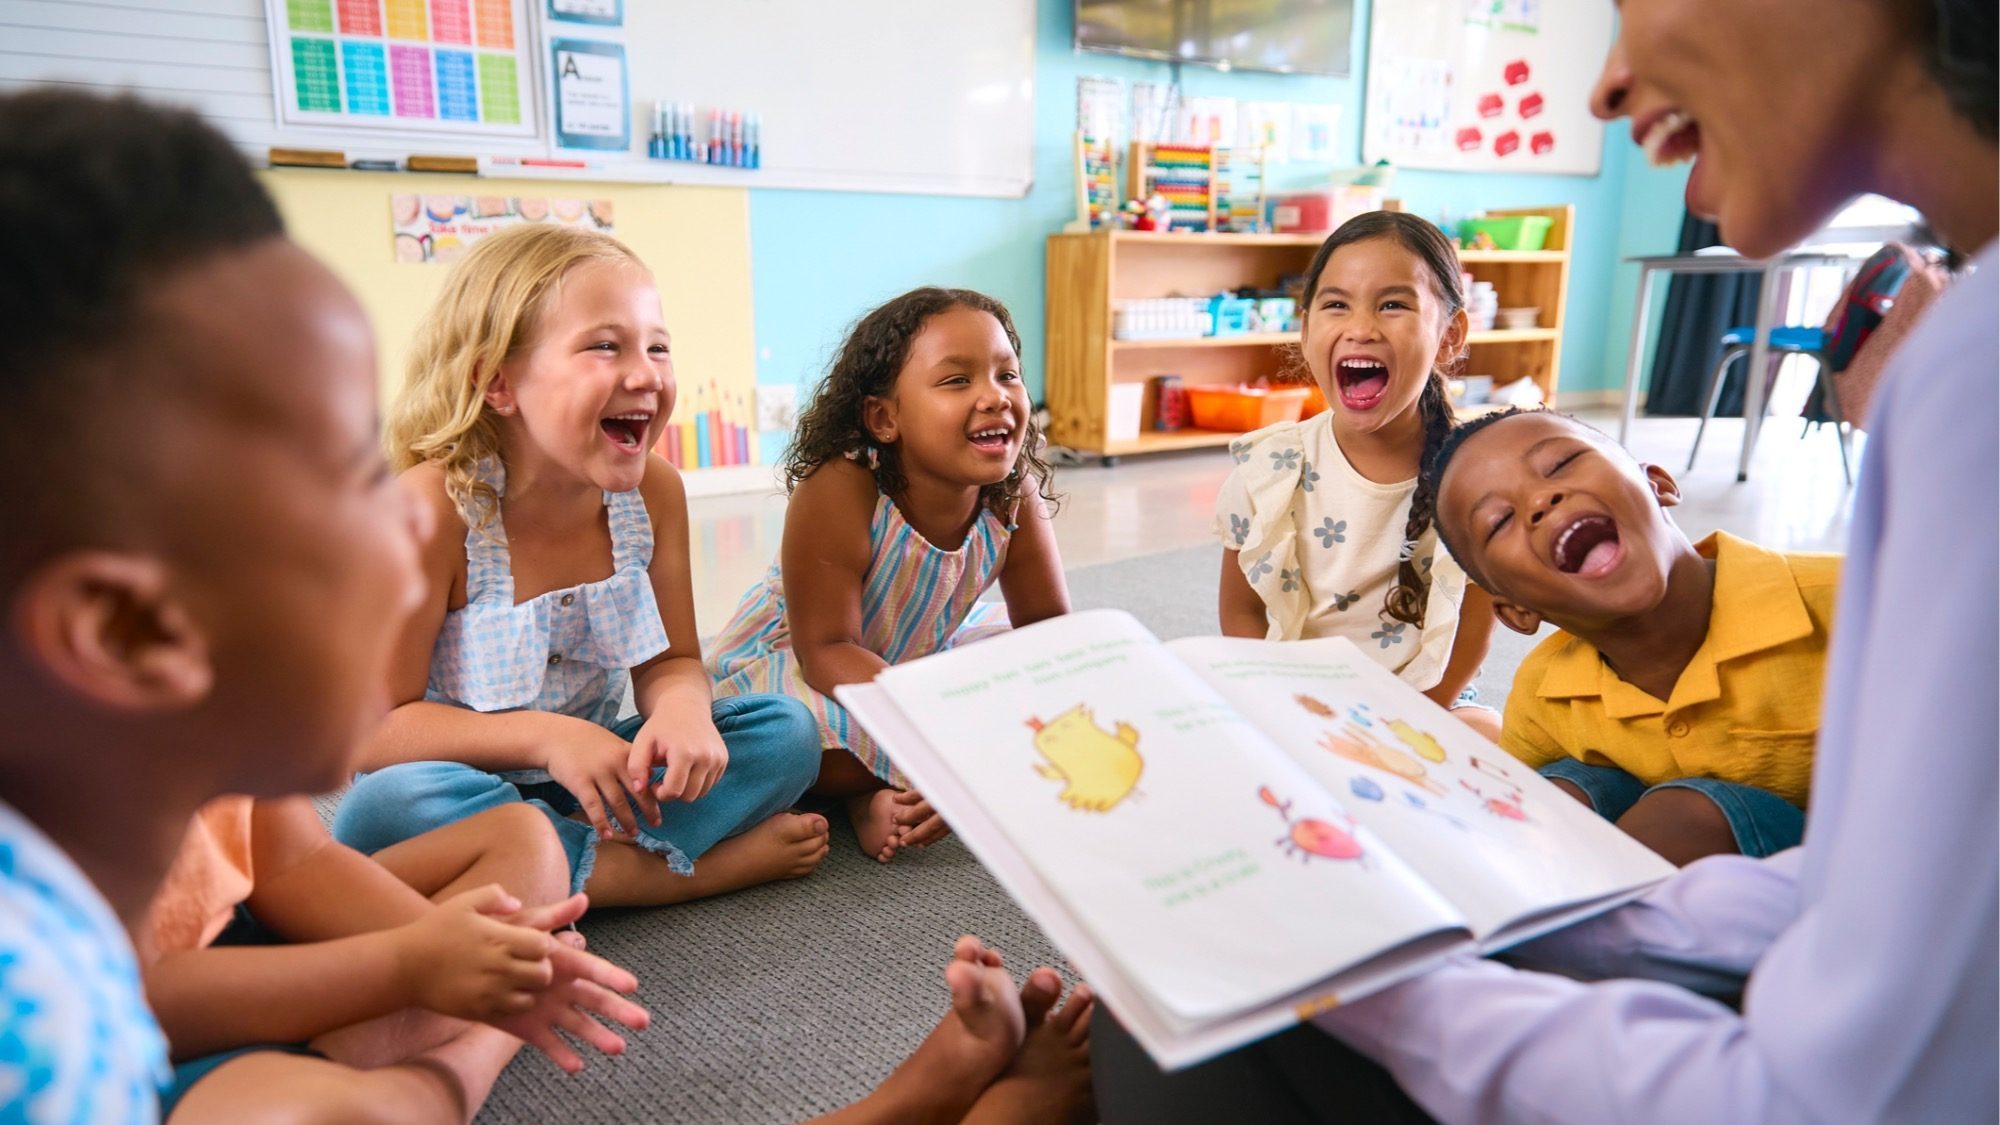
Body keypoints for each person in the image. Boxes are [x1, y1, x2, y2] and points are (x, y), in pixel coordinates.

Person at [1096, 0, 1997, 1118]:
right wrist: (1558, 917)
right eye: (1329, 303)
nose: (1603, 87)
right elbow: (1866, 895)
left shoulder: (1960, 395)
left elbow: (1841, 1083)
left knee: (1176, 1033)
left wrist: (1364, 980)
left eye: (1629, 7)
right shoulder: (1960, 363)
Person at [0, 89, 629, 1117]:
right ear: (129, 631)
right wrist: (412, 974)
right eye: (354, 478)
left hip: (245, 955)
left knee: (523, 855)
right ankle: (444, 1073)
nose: (416, 525)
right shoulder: (46, 1037)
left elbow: (292, 861)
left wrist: (433, 953)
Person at [332, 224, 829, 908]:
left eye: (658, 346)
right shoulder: (431, 510)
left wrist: (683, 711)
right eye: (605, 345)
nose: (647, 373)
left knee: (787, 732)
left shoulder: (653, 493)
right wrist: (547, 736)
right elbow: (374, 733)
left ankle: (546, 863)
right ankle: (648, 876)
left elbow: (673, 660)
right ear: (498, 381)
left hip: (592, 777)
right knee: (382, 811)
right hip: (461, 783)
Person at [706, 288, 1070, 861]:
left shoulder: (1011, 491)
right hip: (815, 665)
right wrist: (942, 735)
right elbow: (827, 649)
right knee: (796, 739)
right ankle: (875, 789)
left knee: (1044, 676)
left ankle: (909, 777)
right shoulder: (840, 485)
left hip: (921, 656)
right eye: (957, 381)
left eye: (1008, 375)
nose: (995, 397)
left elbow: (1048, 632)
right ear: (884, 417)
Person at [1424, 408, 1835, 864]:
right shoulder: (1545, 699)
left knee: (1680, 814)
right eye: (1499, 521)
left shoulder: (1854, 601)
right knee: (1552, 797)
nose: (1540, 502)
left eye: (1561, 464)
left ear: (1658, 483)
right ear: (1519, 611)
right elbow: (1516, 829)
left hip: (1855, 875)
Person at [142, 798, 647, 1121]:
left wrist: (461, 949)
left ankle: (330, 1061)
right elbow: (136, 1003)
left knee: (525, 837)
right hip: (144, 1042)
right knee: (334, 1116)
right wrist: (405, 968)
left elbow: (298, 861)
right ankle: (482, 1045)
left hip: (243, 924)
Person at [1213, 213, 1499, 739]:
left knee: (1497, 745)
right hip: (1298, 697)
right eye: (1336, 304)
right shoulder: (1270, 466)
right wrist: (1277, 701)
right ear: (1305, 329)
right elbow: (1242, 610)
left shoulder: (1478, 473)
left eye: (1393, 304)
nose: (1361, 328)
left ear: (1449, 335)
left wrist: (1409, 722)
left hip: (1431, 697)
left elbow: (1471, 630)